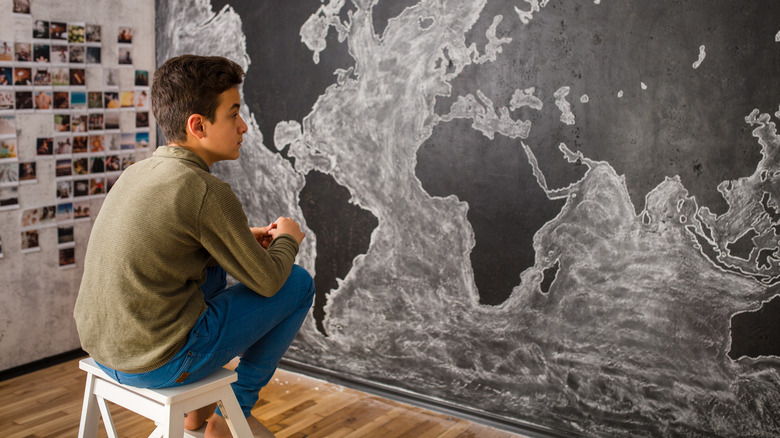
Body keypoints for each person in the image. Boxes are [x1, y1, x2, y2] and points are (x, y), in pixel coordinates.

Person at [73, 55, 314, 438]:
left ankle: (194, 417)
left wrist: (239, 238)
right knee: (298, 283)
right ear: (198, 125)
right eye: (233, 114)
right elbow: (269, 282)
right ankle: (233, 411)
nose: (243, 126)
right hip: (158, 363)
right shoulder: (203, 190)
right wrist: (287, 238)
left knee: (212, 262)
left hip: (105, 350)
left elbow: (169, 242)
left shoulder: (137, 173)